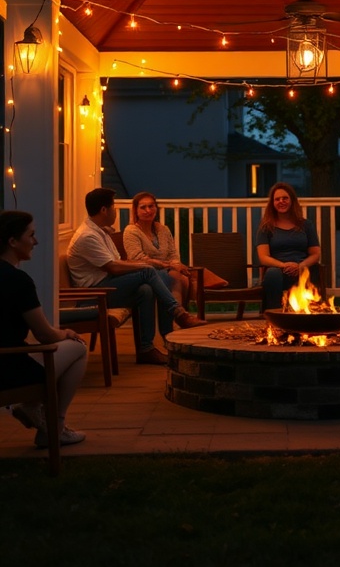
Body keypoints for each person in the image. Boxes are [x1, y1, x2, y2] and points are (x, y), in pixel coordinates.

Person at [67, 188, 203, 368]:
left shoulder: (100, 232)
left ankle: (146, 349)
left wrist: (149, 266)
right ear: (103, 210)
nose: (116, 211)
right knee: (149, 272)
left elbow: (117, 263)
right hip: (93, 294)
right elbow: (113, 267)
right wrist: (145, 266)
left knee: (145, 290)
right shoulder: (88, 236)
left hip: (105, 286)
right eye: (113, 207)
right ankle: (178, 314)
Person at [0, 210, 87, 447]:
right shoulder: (18, 281)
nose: (36, 241)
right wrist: (66, 334)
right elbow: (45, 334)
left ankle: (35, 412)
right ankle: (55, 427)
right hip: (8, 368)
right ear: (13, 241)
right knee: (78, 347)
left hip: (8, 357)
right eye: (31, 235)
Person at [256, 182, 321, 310]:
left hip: (302, 269)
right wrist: (283, 265)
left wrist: (300, 266)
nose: (281, 201)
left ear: (292, 200)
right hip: (278, 270)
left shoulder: (306, 225)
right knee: (273, 274)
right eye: (277, 199)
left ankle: (309, 316)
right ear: (272, 203)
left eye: (285, 198)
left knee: (312, 270)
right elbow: (263, 257)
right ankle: (274, 313)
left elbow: (315, 254)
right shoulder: (266, 227)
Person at [123, 191, 194, 309]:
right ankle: (177, 318)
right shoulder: (131, 231)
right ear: (136, 210)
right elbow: (138, 258)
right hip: (145, 272)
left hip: (167, 269)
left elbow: (172, 253)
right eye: (143, 207)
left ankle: (178, 316)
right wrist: (169, 265)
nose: (148, 210)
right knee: (176, 279)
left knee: (184, 277)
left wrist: (176, 264)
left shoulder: (163, 229)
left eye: (151, 206)